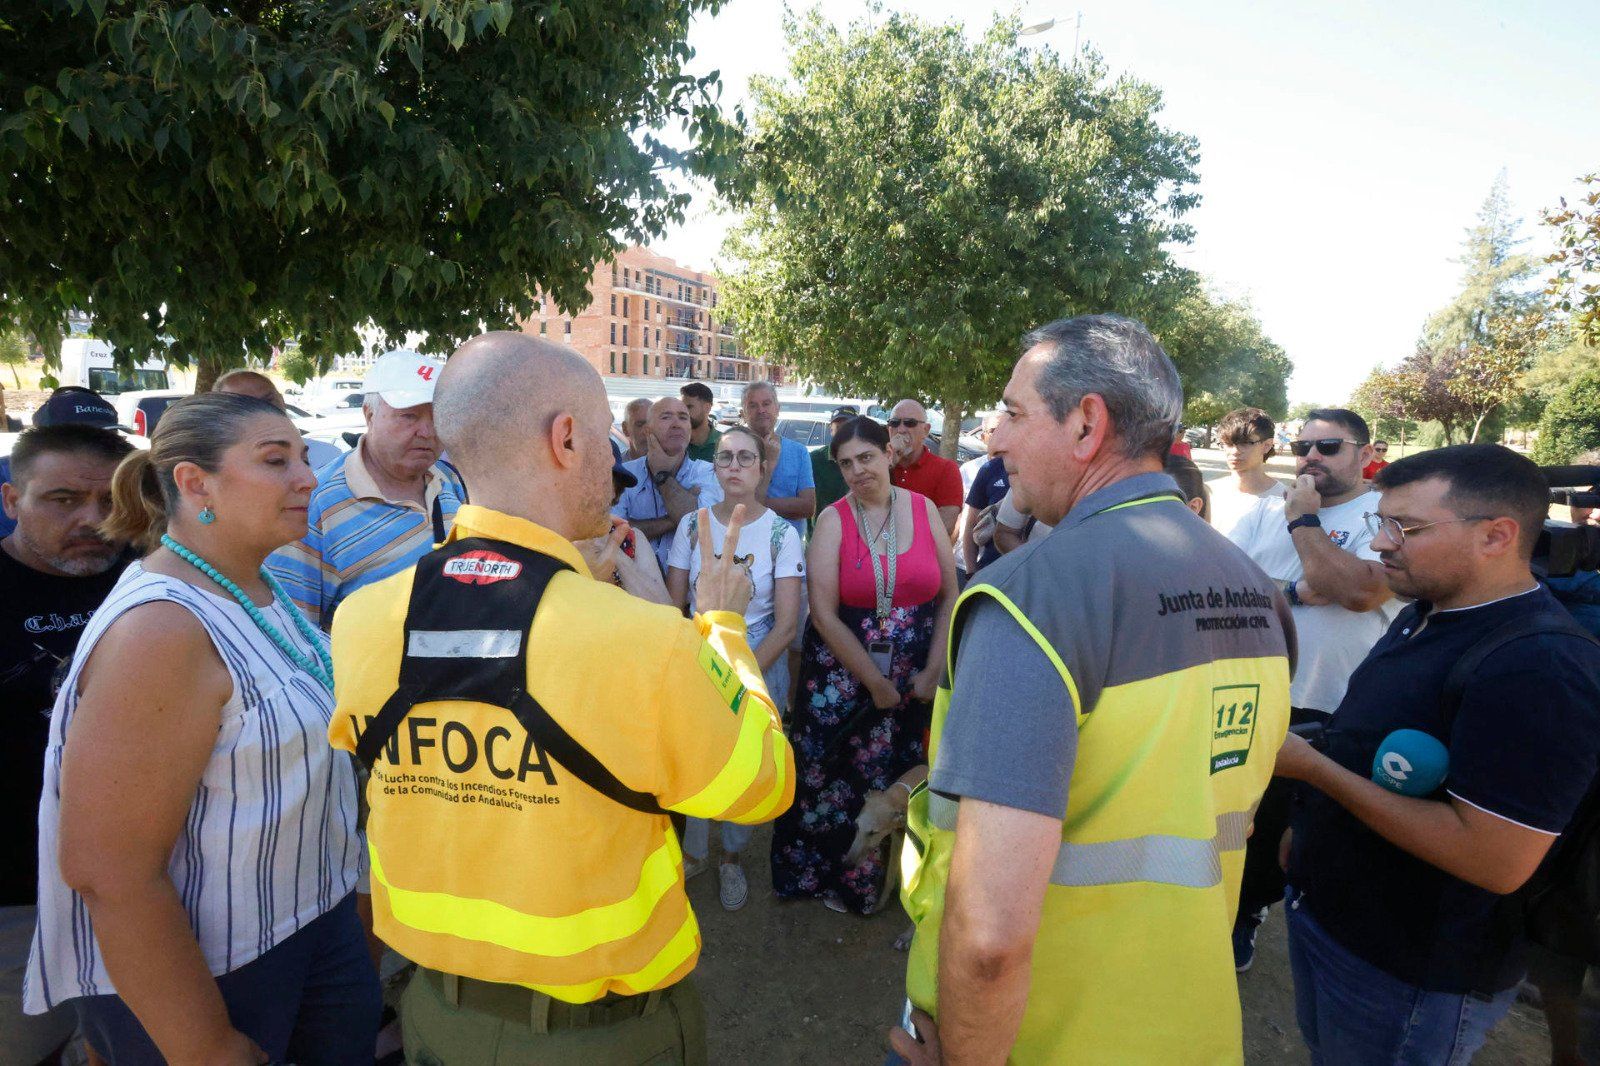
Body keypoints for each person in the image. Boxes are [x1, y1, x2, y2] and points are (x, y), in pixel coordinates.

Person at [327, 332, 794, 1063]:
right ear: (567, 438)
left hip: (437, 1019)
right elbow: (762, 785)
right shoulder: (645, 641)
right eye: (606, 437)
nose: (615, 460)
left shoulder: (361, 621)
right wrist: (723, 628)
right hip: (601, 1036)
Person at [891, 315, 1293, 1066]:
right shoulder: (1253, 587)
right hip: (1189, 1024)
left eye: (1013, 414)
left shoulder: (1032, 596)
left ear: (1086, 424)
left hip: (1039, 1035)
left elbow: (989, 938)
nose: (996, 441)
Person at [26, 393, 377, 1064]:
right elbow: (109, 871)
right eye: (275, 460)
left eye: (303, 457)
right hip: (213, 975)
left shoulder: (254, 586)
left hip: (308, 933)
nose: (308, 478)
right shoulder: (162, 629)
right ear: (194, 483)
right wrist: (205, 1046)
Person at [1274, 443, 1600, 1066]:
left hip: (1411, 974)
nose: (1380, 544)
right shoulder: (1428, 610)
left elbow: (1494, 859)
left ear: (1496, 536)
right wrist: (1310, 828)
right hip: (1337, 921)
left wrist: (1314, 770)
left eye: (1407, 528)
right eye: (1380, 522)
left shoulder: (1541, 665)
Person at [1225, 407, 1397, 970]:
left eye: (1329, 447)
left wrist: (1304, 521)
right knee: (1230, 809)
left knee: (1284, 823)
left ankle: (1249, 910)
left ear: (1365, 454)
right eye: (1303, 448)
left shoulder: (1384, 517)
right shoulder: (1262, 510)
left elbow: (1358, 590)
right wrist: (1295, 591)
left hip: (1330, 702)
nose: (1311, 457)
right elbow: (1223, 586)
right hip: (1249, 688)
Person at [772, 416, 957, 915]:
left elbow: (950, 594)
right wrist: (873, 681)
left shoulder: (923, 509)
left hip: (915, 671)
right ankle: (820, 875)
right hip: (842, 674)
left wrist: (934, 669)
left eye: (867, 457)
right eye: (846, 463)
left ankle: (885, 883)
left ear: (889, 454)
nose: (858, 471)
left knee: (897, 775)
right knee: (828, 776)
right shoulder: (834, 519)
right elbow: (823, 613)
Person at [0, 423, 134, 1063]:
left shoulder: (151, 578)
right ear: (11, 500)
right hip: (18, 899)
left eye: (110, 500)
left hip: (148, 888)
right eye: (62, 500)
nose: (92, 519)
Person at [666, 426, 804, 911]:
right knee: (694, 758)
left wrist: (738, 676)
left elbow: (786, 626)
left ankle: (731, 856)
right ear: (715, 467)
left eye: (746, 458)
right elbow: (675, 605)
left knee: (746, 763)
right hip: (697, 661)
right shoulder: (692, 526)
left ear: (763, 468)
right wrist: (702, 668)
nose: (735, 466)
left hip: (758, 663)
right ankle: (695, 852)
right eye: (726, 457)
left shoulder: (783, 535)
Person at [268, 348, 465, 629]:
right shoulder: (314, 503)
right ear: (369, 414)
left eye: (437, 417)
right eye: (409, 416)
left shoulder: (451, 481)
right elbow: (292, 630)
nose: (427, 431)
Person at [0, 385, 131, 540]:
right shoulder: (5, 472)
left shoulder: (131, 477)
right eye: (63, 500)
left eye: (108, 439)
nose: (94, 520)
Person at [612, 396, 723, 573]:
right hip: (633, 584)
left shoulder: (709, 473)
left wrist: (662, 476)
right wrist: (675, 518)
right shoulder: (625, 474)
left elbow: (702, 531)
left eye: (683, 417)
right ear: (647, 431)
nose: (676, 424)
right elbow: (615, 534)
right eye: (666, 417)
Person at [214, 368, 343, 473]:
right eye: (246, 404)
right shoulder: (214, 464)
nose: (262, 409)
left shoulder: (328, 456)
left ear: (282, 400)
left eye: (268, 400)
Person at [740, 381, 816, 538]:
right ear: (743, 413)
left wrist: (758, 504)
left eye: (766, 404)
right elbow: (733, 505)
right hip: (744, 544)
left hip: (789, 547)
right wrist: (768, 463)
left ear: (777, 409)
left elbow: (808, 507)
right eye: (753, 405)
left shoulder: (799, 452)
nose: (761, 410)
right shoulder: (733, 451)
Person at [886, 400, 963, 535]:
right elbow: (858, 509)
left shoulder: (945, 469)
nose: (901, 429)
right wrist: (888, 463)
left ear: (925, 430)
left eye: (910, 423)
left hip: (921, 548)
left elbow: (945, 527)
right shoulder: (879, 466)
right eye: (895, 423)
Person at [1210, 406, 1287, 537]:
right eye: (1228, 444)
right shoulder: (1208, 492)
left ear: (1267, 445)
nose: (1235, 451)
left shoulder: (1285, 499)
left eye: (1245, 443)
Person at [809, 407, 856, 532]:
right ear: (831, 430)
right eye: (839, 428)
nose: (843, 433)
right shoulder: (815, 459)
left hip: (854, 533)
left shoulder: (864, 460)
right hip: (820, 533)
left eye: (848, 427)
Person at [680, 381, 722, 463]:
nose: (684, 412)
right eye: (682, 407)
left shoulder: (725, 442)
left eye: (689, 407)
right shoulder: (676, 442)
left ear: (707, 408)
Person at [621, 397, 653, 461]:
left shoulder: (672, 464)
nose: (647, 431)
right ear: (625, 429)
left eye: (653, 424)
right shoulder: (615, 465)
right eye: (640, 425)